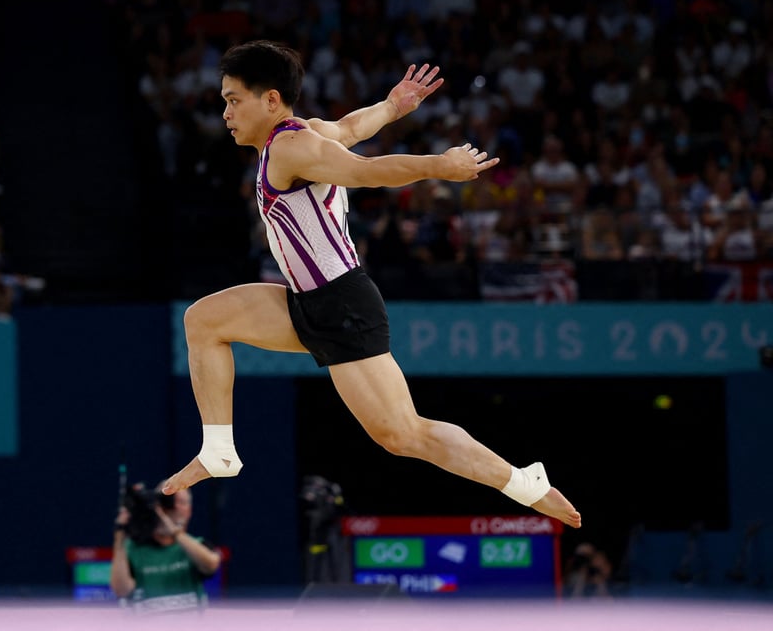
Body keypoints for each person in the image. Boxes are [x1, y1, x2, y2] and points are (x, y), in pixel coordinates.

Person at [162, 40, 581, 529]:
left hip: (342, 306)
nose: (226, 112)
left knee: (404, 436)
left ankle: (521, 482)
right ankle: (218, 452)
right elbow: (351, 128)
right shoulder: (307, 134)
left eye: (234, 100)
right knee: (203, 321)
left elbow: (367, 171)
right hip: (306, 301)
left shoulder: (293, 146)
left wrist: (437, 167)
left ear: (271, 100)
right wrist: (391, 106)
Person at [110, 482, 220, 614]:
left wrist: (174, 531)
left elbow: (211, 564)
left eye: (182, 502)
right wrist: (120, 536)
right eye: (171, 501)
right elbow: (121, 590)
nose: (176, 507)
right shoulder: (133, 549)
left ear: (189, 511)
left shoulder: (196, 545)